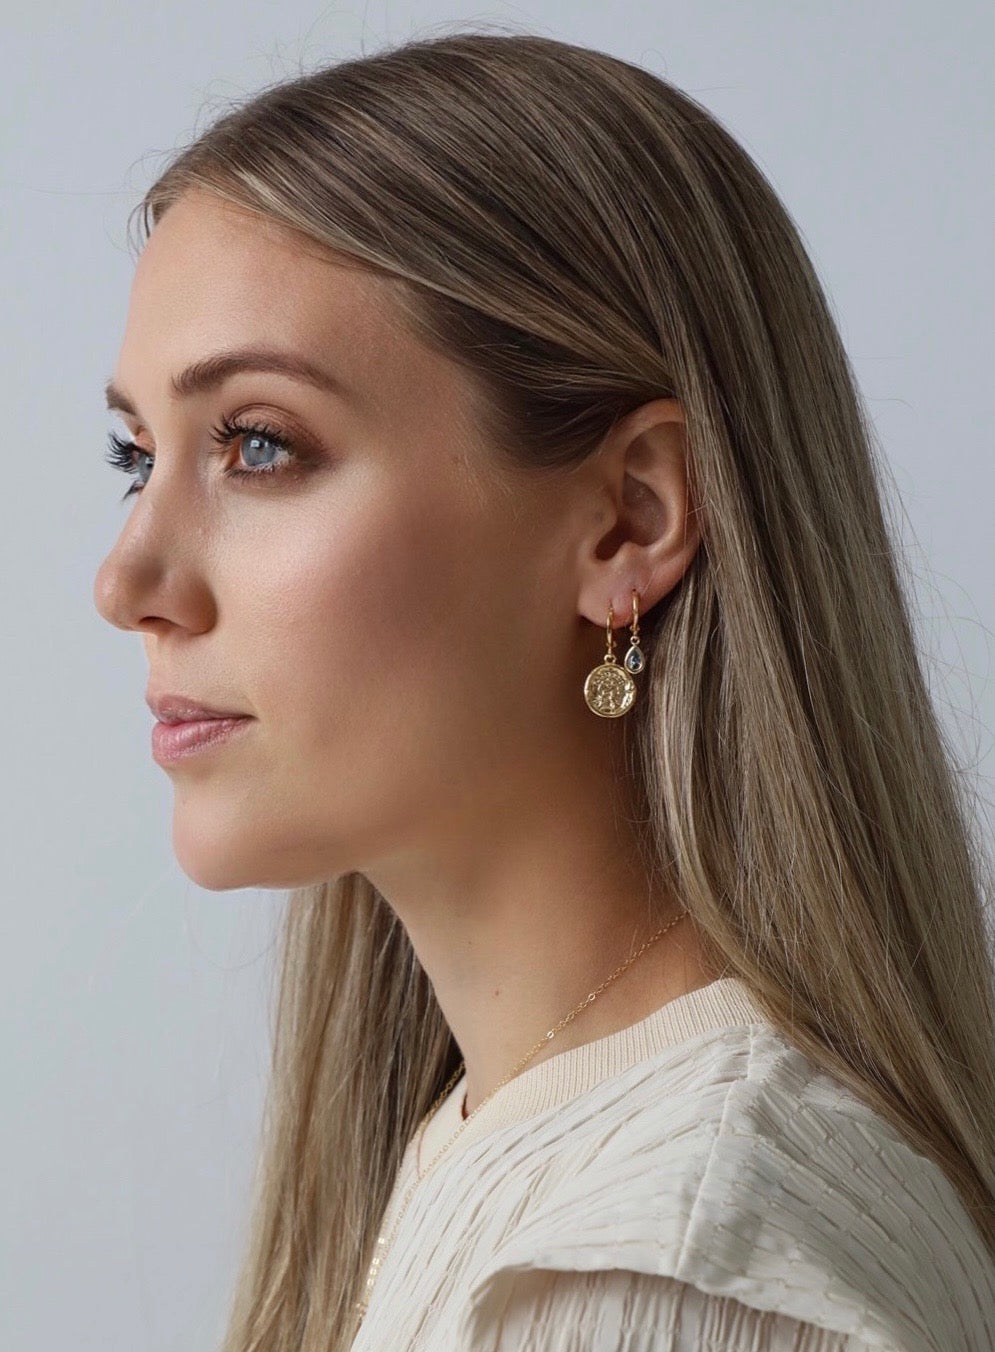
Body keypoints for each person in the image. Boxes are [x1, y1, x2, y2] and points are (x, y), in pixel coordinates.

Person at [92, 29, 995, 1352]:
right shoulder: (520, 1160)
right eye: (136, 455)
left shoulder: (646, 1274)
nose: (128, 581)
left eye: (261, 446)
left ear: (630, 519)